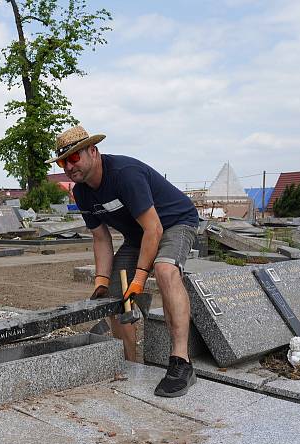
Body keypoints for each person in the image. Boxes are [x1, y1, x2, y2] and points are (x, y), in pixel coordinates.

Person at [47, 125, 199, 397]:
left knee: (165, 270)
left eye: (73, 158)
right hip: (138, 236)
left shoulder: (124, 175)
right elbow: (101, 238)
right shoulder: (81, 191)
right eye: (62, 161)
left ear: (93, 151)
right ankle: (131, 362)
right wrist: (102, 282)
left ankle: (181, 363)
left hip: (174, 222)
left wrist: (140, 279)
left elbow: (155, 229)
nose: (69, 167)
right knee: (114, 300)